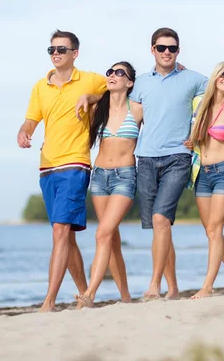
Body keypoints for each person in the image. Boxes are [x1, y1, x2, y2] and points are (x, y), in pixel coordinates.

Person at [76, 28, 224, 300]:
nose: (166, 52)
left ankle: (154, 286)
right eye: (161, 48)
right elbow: (117, 103)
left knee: (160, 220)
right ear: (152, 50)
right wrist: (90, 97)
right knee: (161, 226)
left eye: (171, 48)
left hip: (178, 158)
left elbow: (222, 86)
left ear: (178, 51)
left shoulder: (192, 79)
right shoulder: (142, 83)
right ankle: (174, 288)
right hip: (145, 160)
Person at [17, 30, 106, 312]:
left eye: (61, 49)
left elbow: (124, 87)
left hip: (75, 164)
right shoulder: (40, 86)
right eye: (52, 49)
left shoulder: (91, 79)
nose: (55, 53)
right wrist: (24, 131)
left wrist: (92, 98)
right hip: (47, 167)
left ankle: (49, 301)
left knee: (60, 231)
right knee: (65, 235)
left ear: (74, 54)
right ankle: (84, 295)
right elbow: (32, 120)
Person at [75, 62, 142, 309]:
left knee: (102, 233)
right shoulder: (97, 109)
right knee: (110, 239)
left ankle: (90, 293)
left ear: (130, 82)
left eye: (120, 73)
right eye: (110, 72)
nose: (113, 75)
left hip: (125, 177)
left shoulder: (138, 110)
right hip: (100, 177)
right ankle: (125, 297)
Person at [185, 61, 224, 299]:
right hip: (201, 172)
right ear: (215, 75)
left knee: (215, 228)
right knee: (211, 232)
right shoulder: (198, 103)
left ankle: (207, 287)